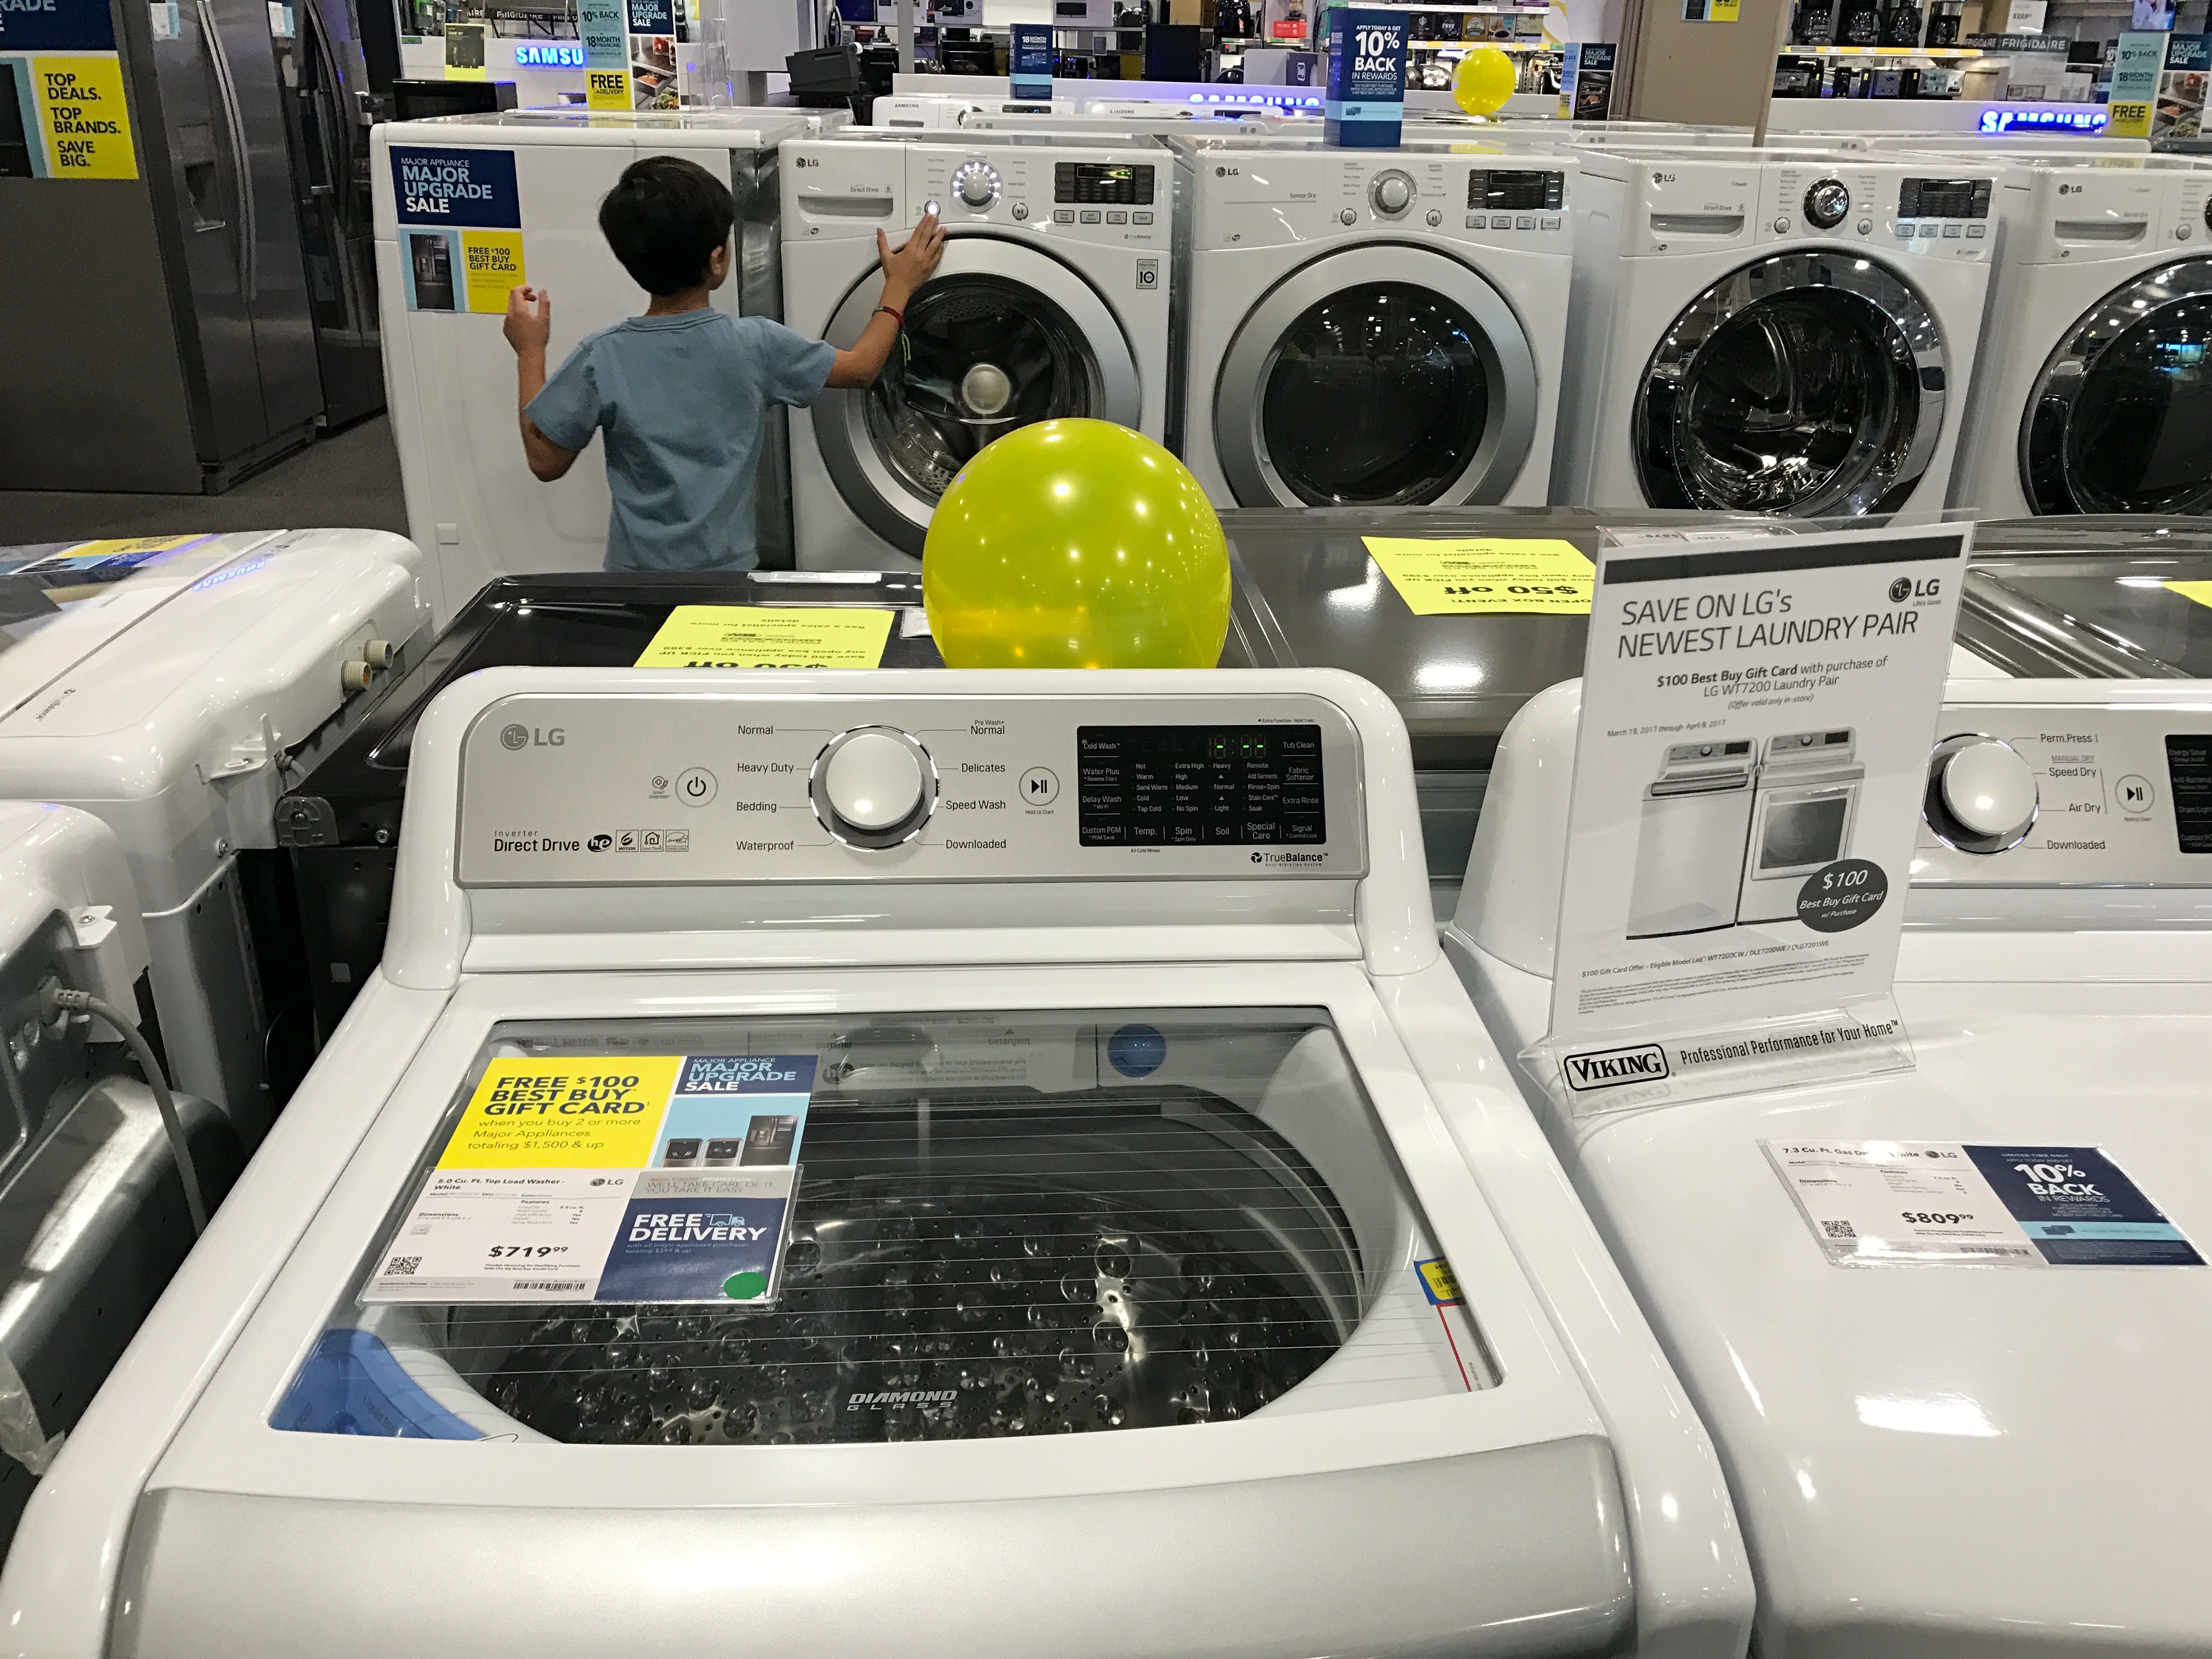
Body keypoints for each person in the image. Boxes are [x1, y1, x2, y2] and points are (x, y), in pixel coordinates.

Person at [501, 154, 945, 572]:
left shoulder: (603, 356)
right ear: (717, 260)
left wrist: (530, 351)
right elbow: (863, 367)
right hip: (727, 579)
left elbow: (545, 460)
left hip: (634, 584)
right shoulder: (755, 345)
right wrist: (900, 285)